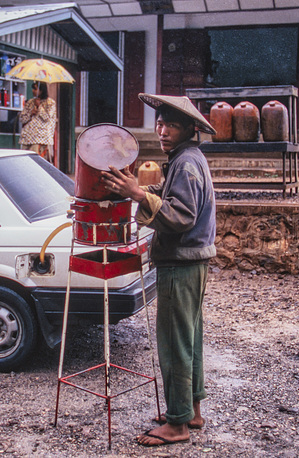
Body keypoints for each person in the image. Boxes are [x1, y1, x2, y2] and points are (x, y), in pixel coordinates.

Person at [101, 94, 217, 448]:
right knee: (189, 338)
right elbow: (169, 195)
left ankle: (178, 424)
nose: (162, 131)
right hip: (192, 263)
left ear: (190, 130)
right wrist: (138, 190)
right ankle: (190, 410)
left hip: (181, 265)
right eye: (160, 124)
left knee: (173, 342)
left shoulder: (185, 164)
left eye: (171, 126)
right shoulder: (185, 158)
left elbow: (182, 215)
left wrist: (137, 195)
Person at [19, 81, 57, 162]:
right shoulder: (30, 102)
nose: (33, 91)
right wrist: (30, 113)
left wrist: (39, 106)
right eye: (33, 88)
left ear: (42, 90)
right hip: (27, 137)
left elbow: (47, 118)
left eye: (35, 89)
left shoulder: (50, 103)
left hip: (40, 138)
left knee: (36, 161)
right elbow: (22, 119)